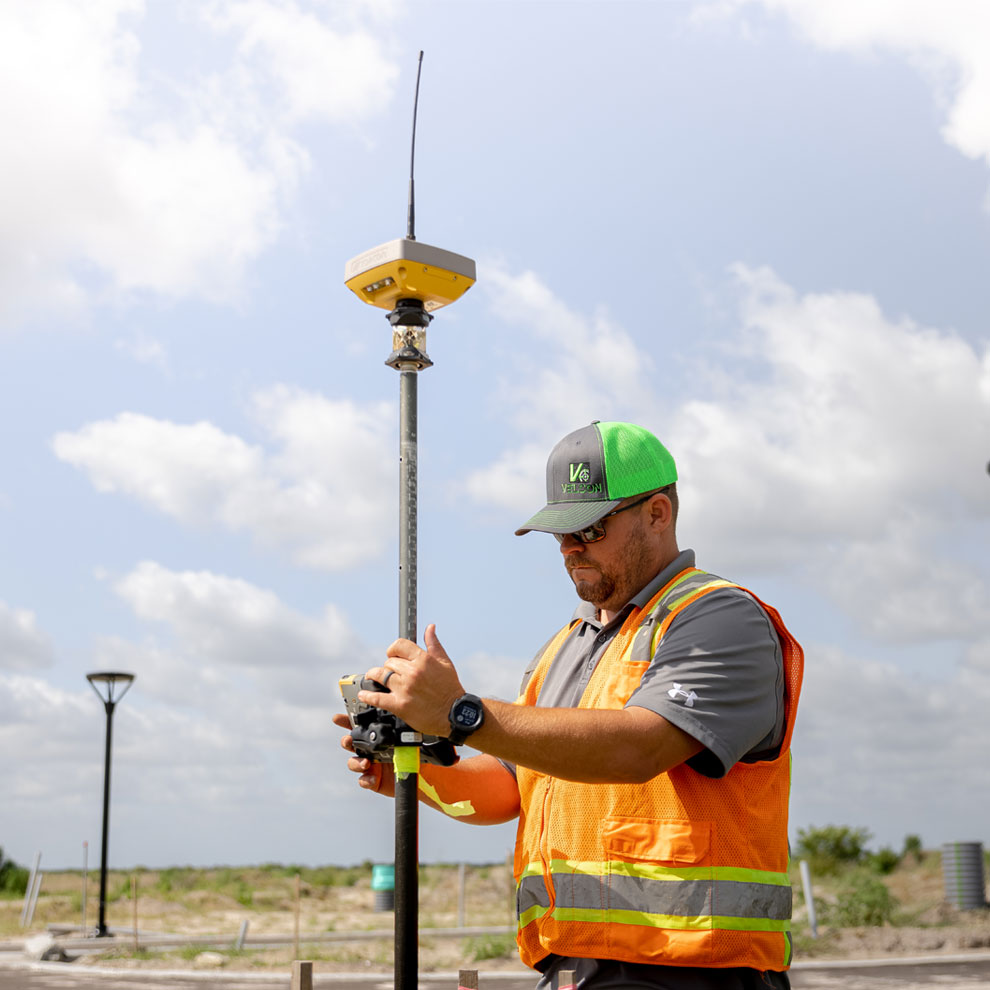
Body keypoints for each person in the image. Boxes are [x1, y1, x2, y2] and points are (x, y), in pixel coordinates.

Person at [334, 421, 803, 990]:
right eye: (559, 533)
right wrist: (411, 770)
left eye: (590, 528)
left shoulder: (717, 618)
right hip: (574, 968)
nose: (570, 547)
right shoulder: (562, 648)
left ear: (658, 513)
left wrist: (460, 713)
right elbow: (508, 788)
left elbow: (640, 747)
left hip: (695, 972)